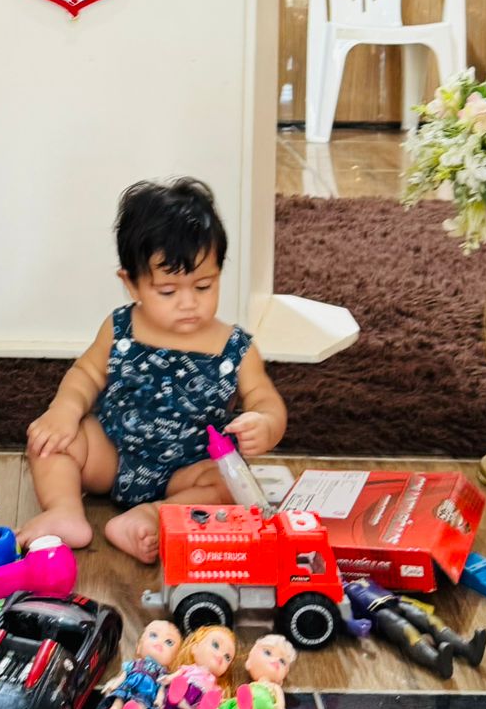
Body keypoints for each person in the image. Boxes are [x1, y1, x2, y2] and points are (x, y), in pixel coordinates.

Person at [16, 177, 288, 562]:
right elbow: (86, 375)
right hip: (112, 455)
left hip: (187, 471)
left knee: (231, 486)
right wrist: (63, 411)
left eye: (204, 286)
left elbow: (266, 399)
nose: (188, 303)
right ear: (132, 284)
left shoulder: (235, 348)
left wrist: (265, 423)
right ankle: (65, 511)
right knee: (51, 442)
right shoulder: (121, 328)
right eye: (168, 291)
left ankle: (154, 516)